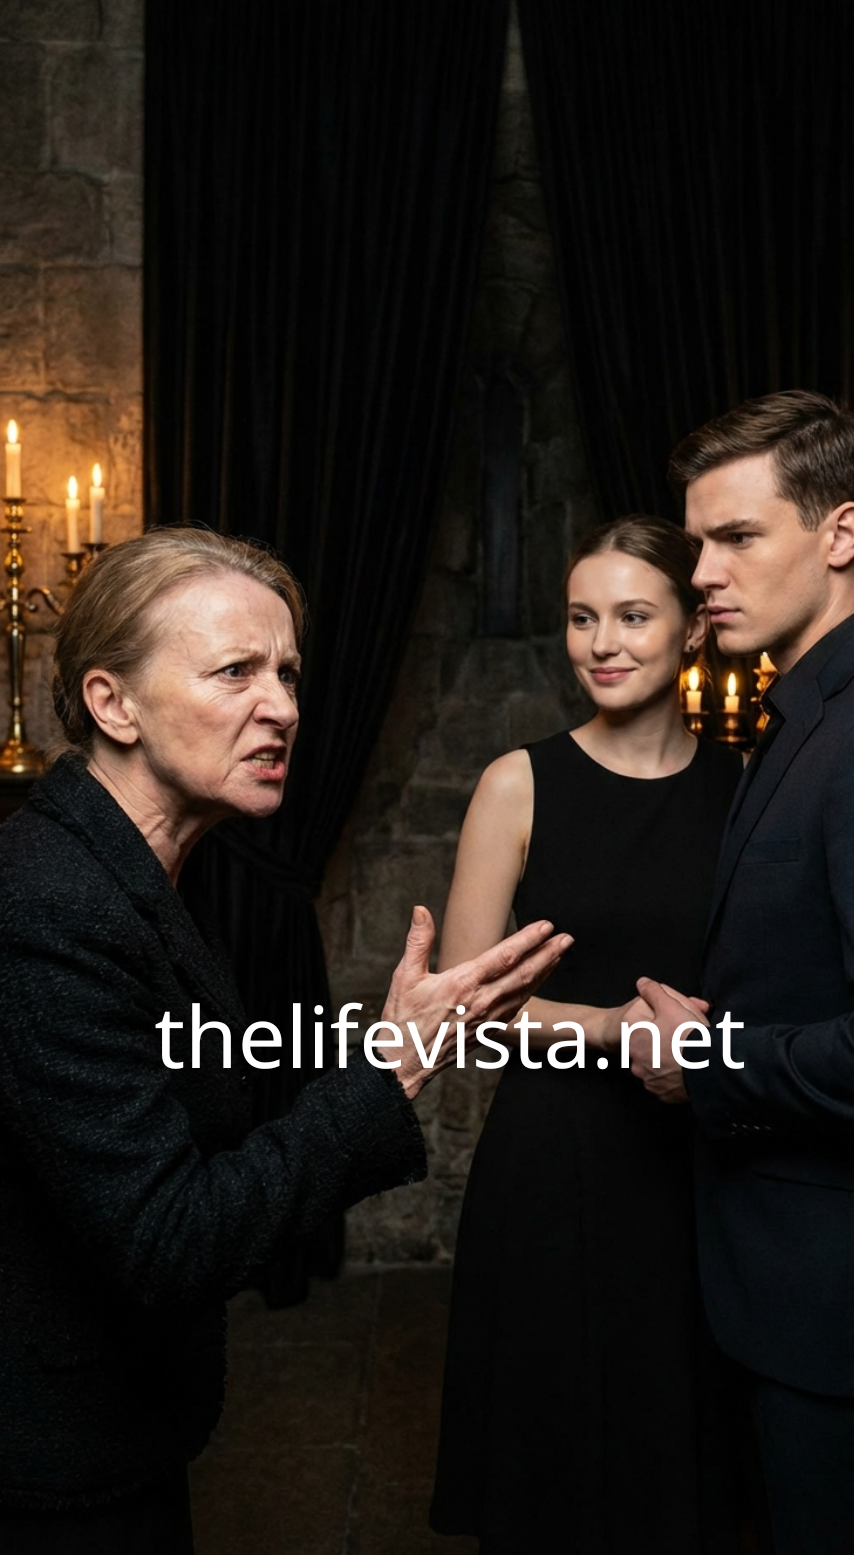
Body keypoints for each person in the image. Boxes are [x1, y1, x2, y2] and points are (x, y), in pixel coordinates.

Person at [0, 527, 571, 1554]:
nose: (285, 708)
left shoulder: (132, 877)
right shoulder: (50, 903)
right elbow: (170, 1238)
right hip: (52, 1475)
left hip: (114, 1438)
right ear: (112, 703)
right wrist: (391, 1066)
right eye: (236, 672)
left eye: (289, 674)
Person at [430, 516, 745, 1554]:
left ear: (693, 628)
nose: (601, 643)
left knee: (682, 1470)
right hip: (552, 1169)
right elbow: (462, 1006)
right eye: (581, 617)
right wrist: (609, 1026)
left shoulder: (745, 792)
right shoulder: (517, 784)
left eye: (632, 616)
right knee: (552, 1475)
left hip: (698, 1171)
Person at [625, 393, 854, 1554]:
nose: (704, 573)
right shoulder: (801, 715)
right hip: (787, 1291)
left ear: (842, 533)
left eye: (737, 537)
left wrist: (703, 1060)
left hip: (850, 1314)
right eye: (698, 543)